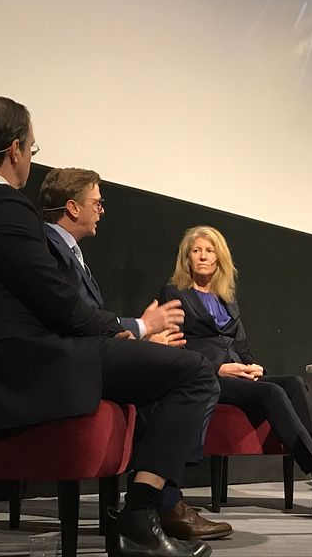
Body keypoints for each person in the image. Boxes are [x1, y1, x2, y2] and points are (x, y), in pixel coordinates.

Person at [0, 96, 218, 557]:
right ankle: (141, 516)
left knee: (163, 368)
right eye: (32, 150)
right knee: (194, 371)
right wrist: (125, 329)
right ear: (15, 149)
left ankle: (146, 512)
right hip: (24, 364)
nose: (29, 162)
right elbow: (57, 299)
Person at [38, 167, 232, 541]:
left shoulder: (68, 250)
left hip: (91, 351)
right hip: (70, 362)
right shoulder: (48, 247)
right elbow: (69, 315)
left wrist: (128, 335)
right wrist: (142, 328)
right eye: (97, 202)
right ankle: (148, 506)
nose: (102, 210)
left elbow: (82, 316)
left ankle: (156, 502)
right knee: (197, 372)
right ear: (73, 207)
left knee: (175, 386)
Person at [159, 226, 312, 523]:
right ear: (187, 258)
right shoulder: (174, 293)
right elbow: (172, 349)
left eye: (209, 250)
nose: (203, 256)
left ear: (219, 259)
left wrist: (255, 367)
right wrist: (217, 368)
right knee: (272, 392)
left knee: (293, 383)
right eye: (196, 251)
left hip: (237, 373)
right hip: (206, 377)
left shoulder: (227, 298)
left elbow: (241, 345)